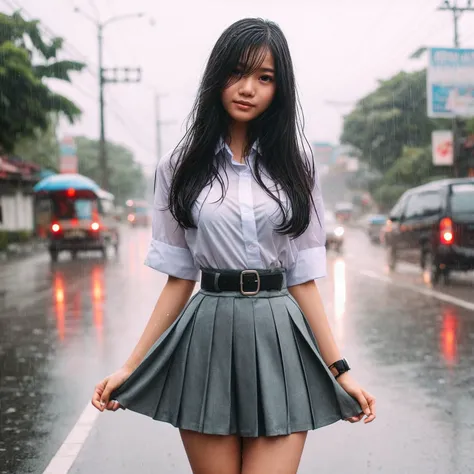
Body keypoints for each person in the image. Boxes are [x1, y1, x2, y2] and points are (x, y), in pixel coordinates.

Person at [91, 17, 376, 474]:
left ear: (279, 89)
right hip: (207, 336)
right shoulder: (178, 165)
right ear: (216, 78)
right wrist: (131, 365)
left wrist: (341, 370)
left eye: (264, 78)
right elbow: (179, 278)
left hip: (279, 333)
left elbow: (303, 278)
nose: (248, 89)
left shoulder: (296, 163)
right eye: (237, 73)